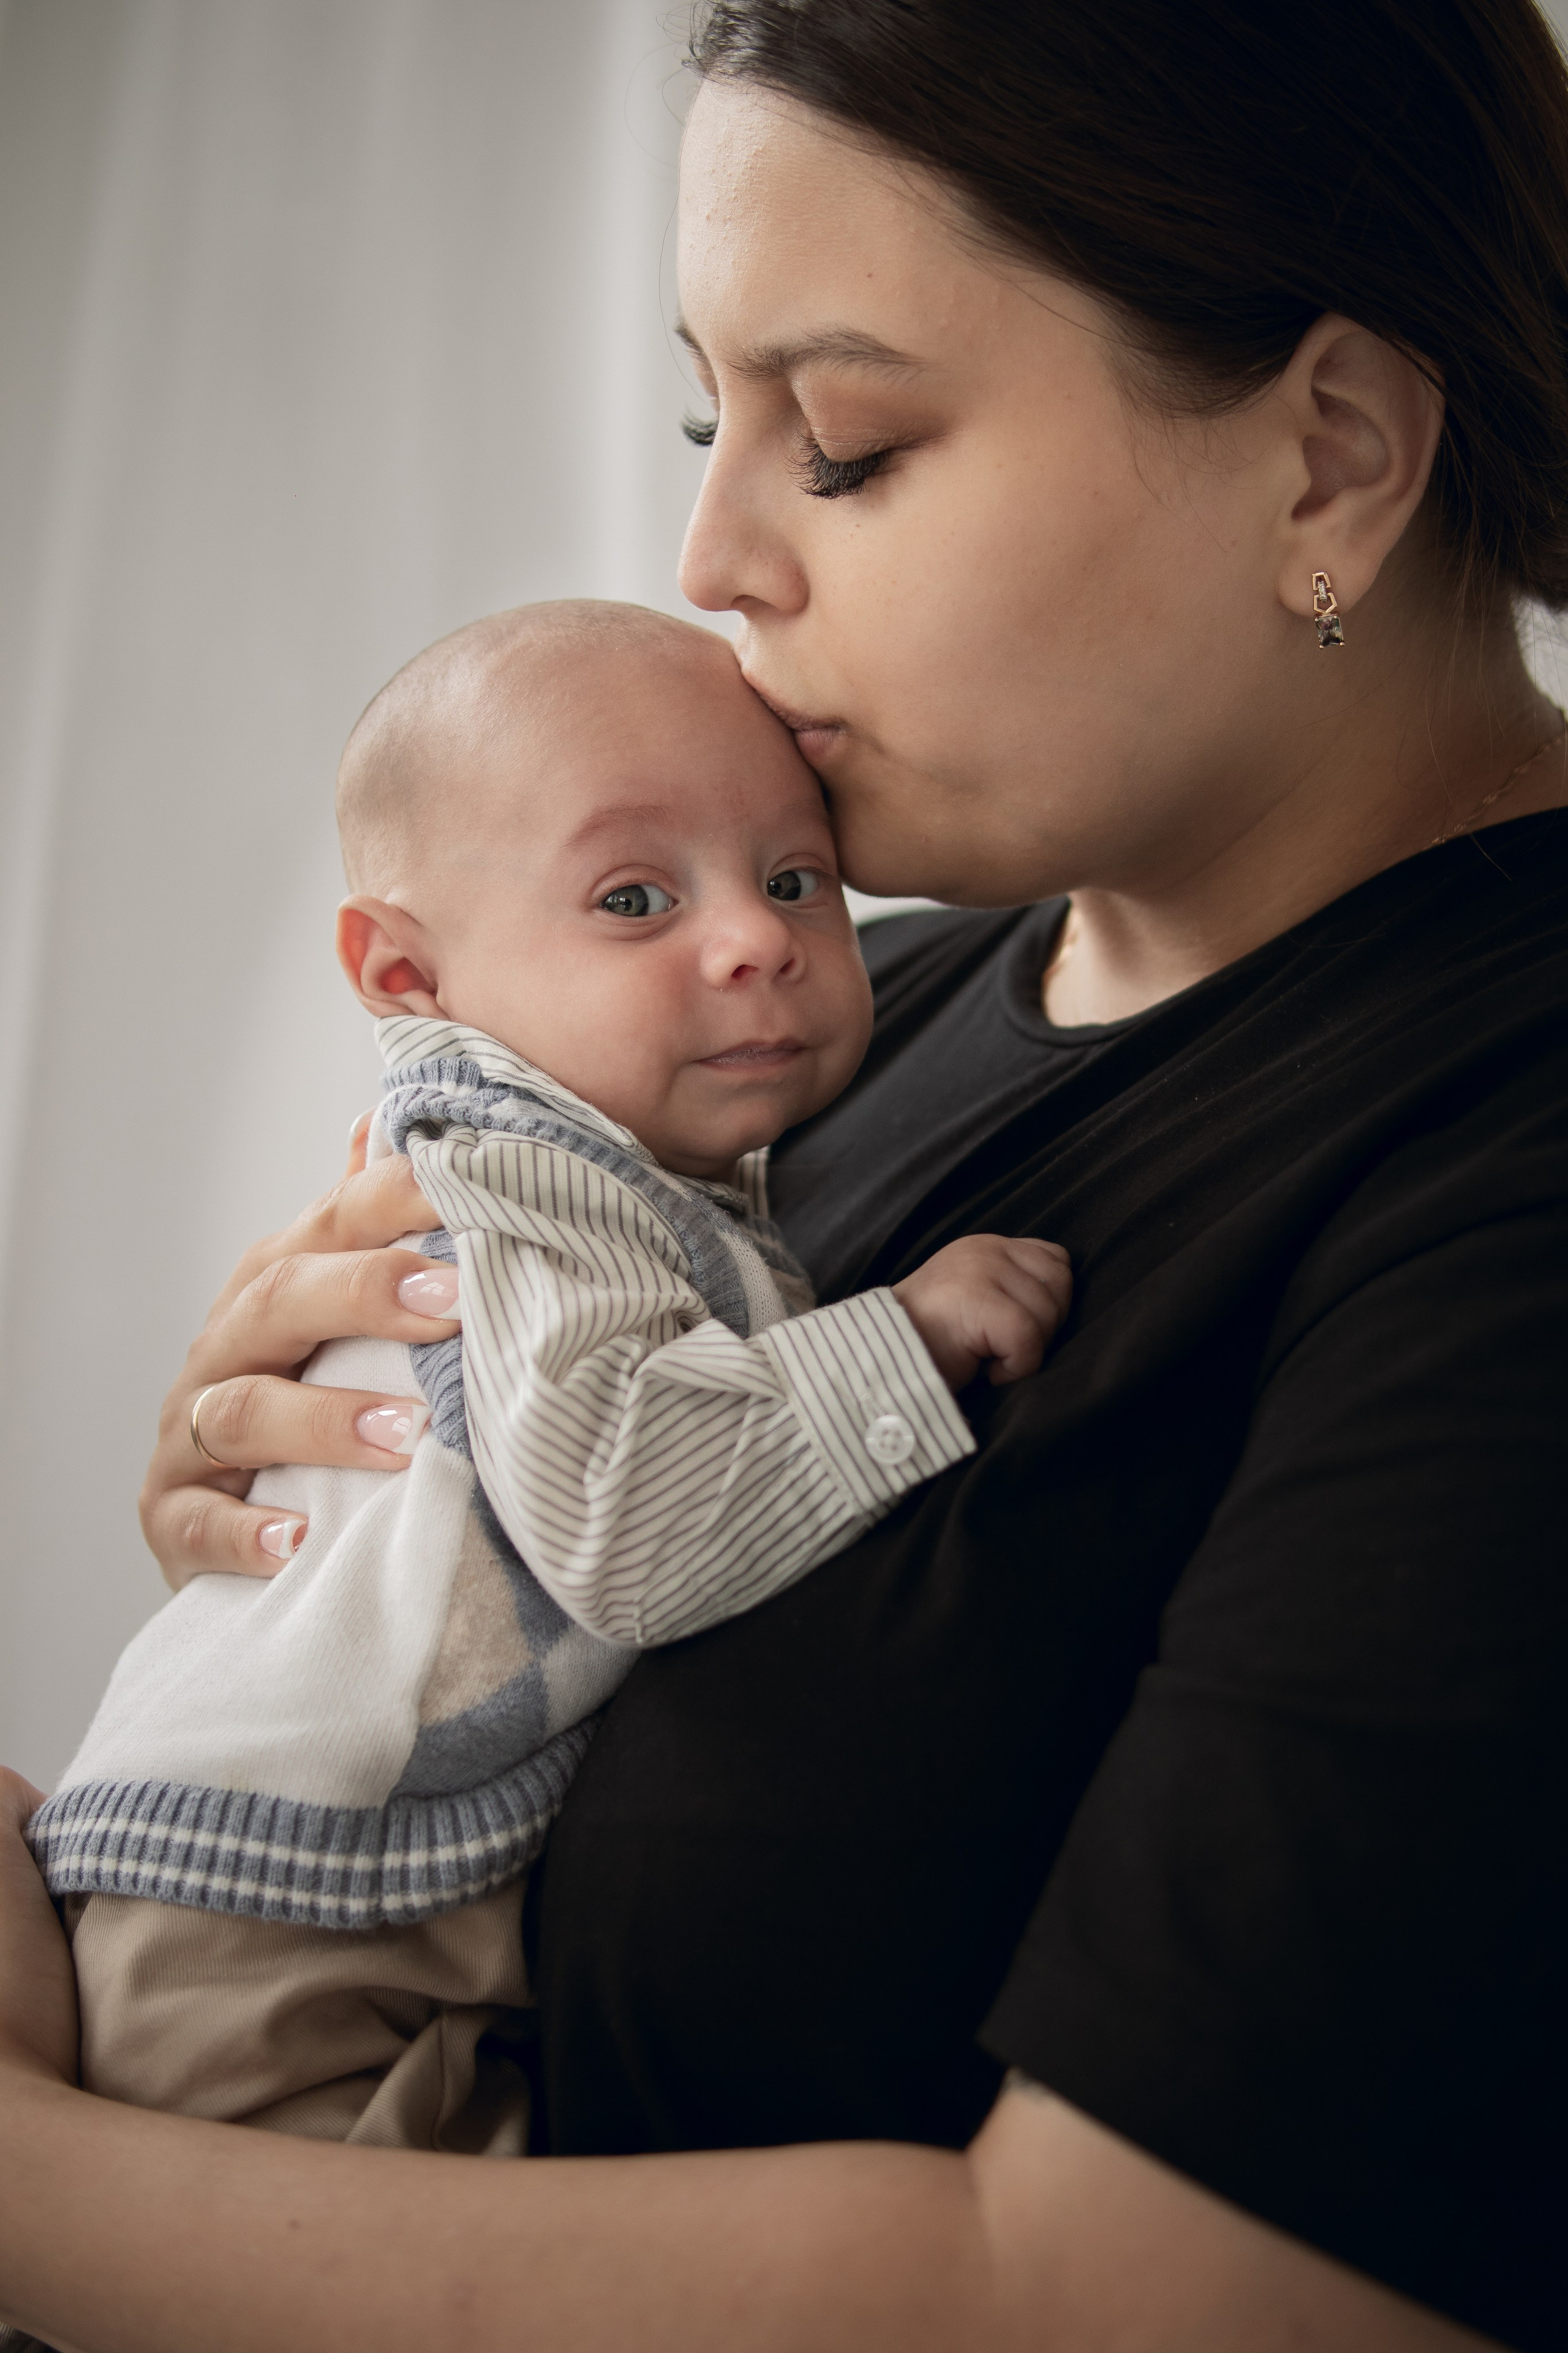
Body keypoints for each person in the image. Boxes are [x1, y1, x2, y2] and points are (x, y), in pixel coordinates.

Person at [2, 0, 1566, 2344]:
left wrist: (37, 2184)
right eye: (697, 417)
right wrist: (352, 1554)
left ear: (1330, 458)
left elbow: (1140, 2303)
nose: (712, 550)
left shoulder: (1505, 1145)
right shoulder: (833, 1012)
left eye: (839, 443)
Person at [26, 599, 1063, 2156]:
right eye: (635, 895)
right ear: (405, 971)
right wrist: (900, 1333)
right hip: (278, 1927)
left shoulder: (621, 1160)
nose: (757, 936)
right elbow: (627, 1515)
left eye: (796, 877)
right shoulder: (526, 1178)